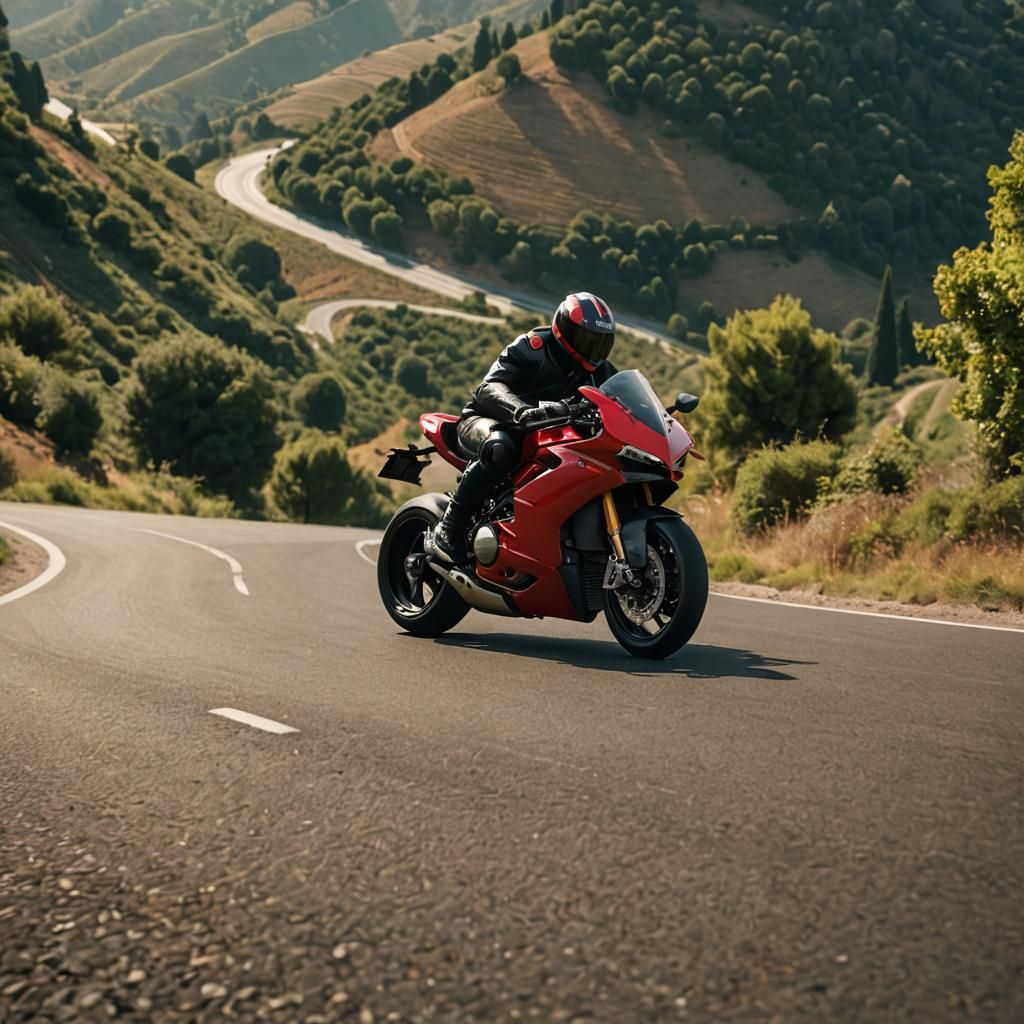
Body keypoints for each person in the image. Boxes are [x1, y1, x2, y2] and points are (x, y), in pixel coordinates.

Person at [430, 291, 618, 564]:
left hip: (543, 437)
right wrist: (520, 410)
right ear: (565, 328)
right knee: (501, 447)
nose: (594, 349)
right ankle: (449, 528)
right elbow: (488, 388)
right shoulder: (533, 347)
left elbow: (619, 400)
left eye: (601, 342)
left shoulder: (599, 370)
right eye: (588, 339)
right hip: (485, 422)